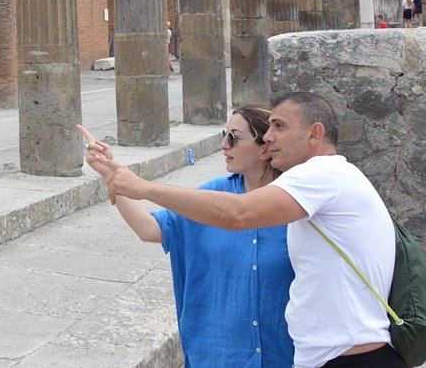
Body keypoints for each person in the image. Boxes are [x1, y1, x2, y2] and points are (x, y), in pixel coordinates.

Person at [87, 92, 398, 368]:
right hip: (264, 355)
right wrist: (112, 176)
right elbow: (153, 228)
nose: (270, 139)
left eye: (279, 128)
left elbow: (238, 214)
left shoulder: (316, 182)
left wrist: (142, 186)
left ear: (314, 133)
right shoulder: (230, 194)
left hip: (328, 356)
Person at [83, 105, 294, 367]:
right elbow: (149, 229)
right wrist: (110, 174)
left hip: (284, 355)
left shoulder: (294, 202)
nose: (223, 145)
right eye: (223, 134)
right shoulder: (213, 194)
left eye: (234, 138)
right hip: (219, 355)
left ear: (264, 147)